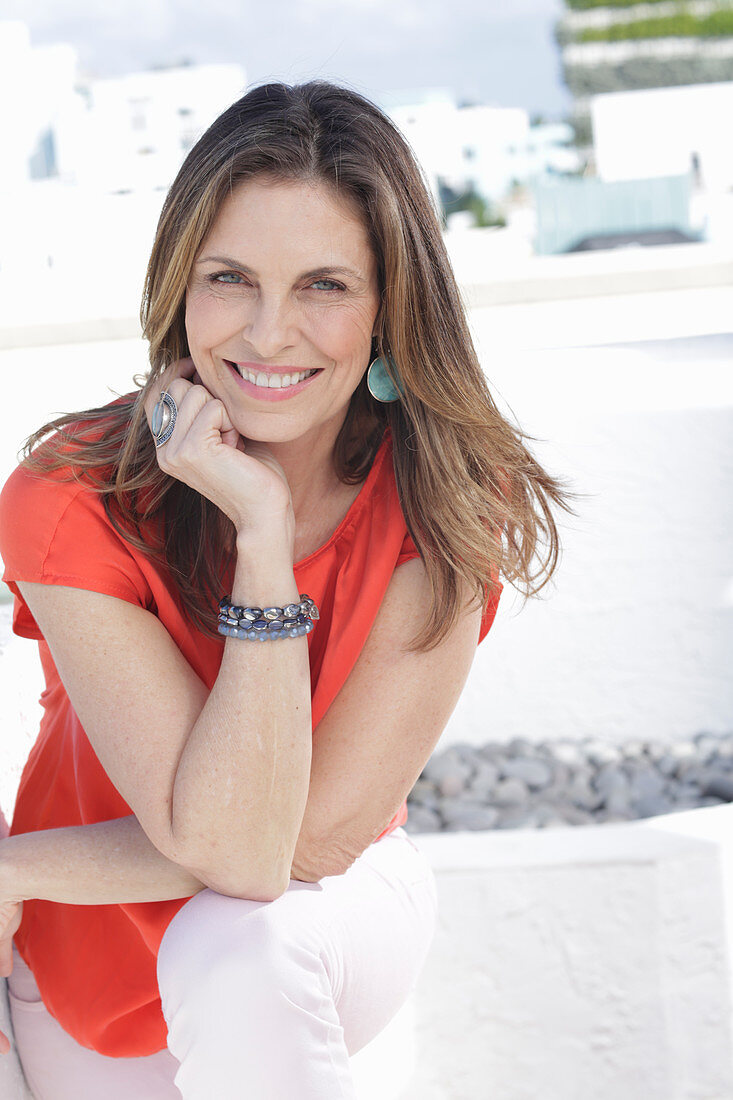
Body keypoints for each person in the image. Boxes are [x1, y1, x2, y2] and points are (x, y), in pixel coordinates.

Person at [0, 80, 576, 1098]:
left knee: (243, 940)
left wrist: (260, 535)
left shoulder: (445, 496)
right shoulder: (71, 492)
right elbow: (223, 836)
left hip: (325, 910)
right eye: (230, 277)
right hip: (86, 952)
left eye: (324, 285)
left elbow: (278, 848)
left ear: (391, 307)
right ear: (182, 286)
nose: (269, 335)